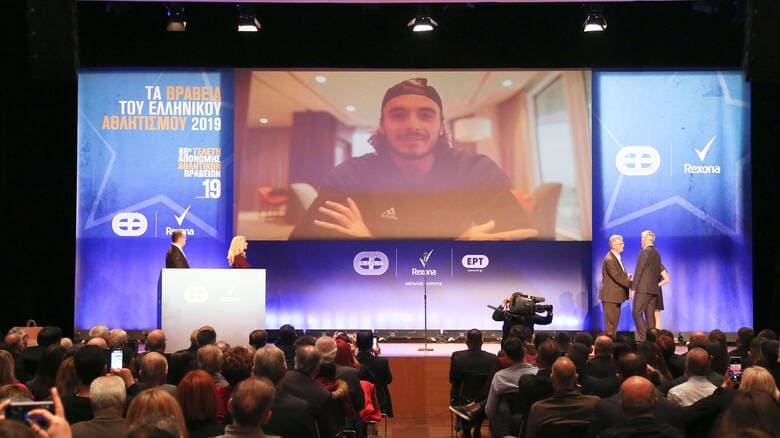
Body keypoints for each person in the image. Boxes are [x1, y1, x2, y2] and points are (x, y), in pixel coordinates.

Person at [288, 77, 538, 241]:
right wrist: (457, 249)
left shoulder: (477, 172)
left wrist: (369, 244)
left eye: (426, 115)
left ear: (441, 125)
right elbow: (301, 254)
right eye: (398, 115)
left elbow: (526, 249)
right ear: (382, 125)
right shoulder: (349, 177)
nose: (413, 125)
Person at [631, 230, 663, 341]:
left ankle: (645, 339)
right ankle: (652, 340)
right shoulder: (657, 253)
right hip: (654, 290)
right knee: (650, 315)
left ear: (645, 239)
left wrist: (633, 288)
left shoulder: (644, 252)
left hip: (643, 289)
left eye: (641, 239)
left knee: (636, 312)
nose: (641, 241)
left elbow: (639, 271)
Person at [599, 234, 632, 337]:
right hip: (610, 296)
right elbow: (617, 277)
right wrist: (633, 284)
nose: (623, 245)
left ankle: (612, 342)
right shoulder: (610, 259)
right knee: (610, 324)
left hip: (616, 296)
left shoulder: (616, 257)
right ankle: (608, 344)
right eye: (620, 243)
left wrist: (626, 277)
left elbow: (618, 275)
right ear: (613, 245)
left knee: (614, 323)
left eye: (623, 243)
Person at [655, 264, 670, 329]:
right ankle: (651, 334)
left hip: (656, 292)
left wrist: (657, 285)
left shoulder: (659, 265)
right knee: (649, 316)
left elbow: (667, 279)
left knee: (656, 315)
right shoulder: (646, 265)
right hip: (647, 292)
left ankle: (657, 334)